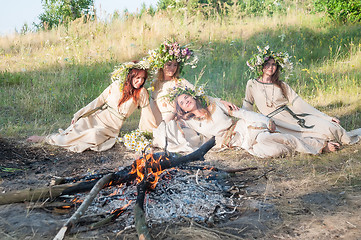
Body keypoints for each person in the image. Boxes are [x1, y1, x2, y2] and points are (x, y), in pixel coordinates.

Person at [243, 46, 361, 151]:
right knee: (296, 138)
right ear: (261, 66)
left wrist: (325, 116)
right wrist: (242, 122)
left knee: (330, 127)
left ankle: (338, 139)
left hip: (294, 116)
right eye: (267, 64)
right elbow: (247, 107)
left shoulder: (281, 84)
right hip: (276, 122)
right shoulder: (252, 84)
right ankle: (325, 145)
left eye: (273, 64)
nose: (270, 67)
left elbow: (299, 103)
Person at [27, 61, 157, 153]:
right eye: (137, 78)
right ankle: (46, 138)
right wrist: (80, 114)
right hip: (96, 118)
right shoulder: (117, 85)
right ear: (130, 76)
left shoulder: (142, 93)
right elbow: (98, 101)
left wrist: (150, 134)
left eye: (143, 79)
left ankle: (56, 140)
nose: (140, 81)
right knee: (73, 132)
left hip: (110, 128)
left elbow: (147, 114)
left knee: (93, 135)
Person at [171, 88, 337, 158]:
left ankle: (321, 146)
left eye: (187, 97)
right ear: (183, 110)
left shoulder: (216, 106)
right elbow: (175, 130)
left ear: (193, 97)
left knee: (269, 139)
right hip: (241, 143)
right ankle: (303, 147)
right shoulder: (191, 123)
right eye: (182, 103)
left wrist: (264, 121)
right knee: (273, 151)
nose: (186, 101)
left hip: (246, 130)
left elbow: (242, 113)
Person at [146, 40, 238, 151]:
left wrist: (220, 101)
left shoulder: (181, 82)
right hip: (165, 121)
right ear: (162, 65)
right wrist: (154, 127)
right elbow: (152, 110)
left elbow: (199, 96)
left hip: (182, 120)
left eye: (175, 65)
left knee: (179, 133)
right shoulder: (155, 85)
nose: (172, 68)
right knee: (165, 132)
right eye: (169, 64)